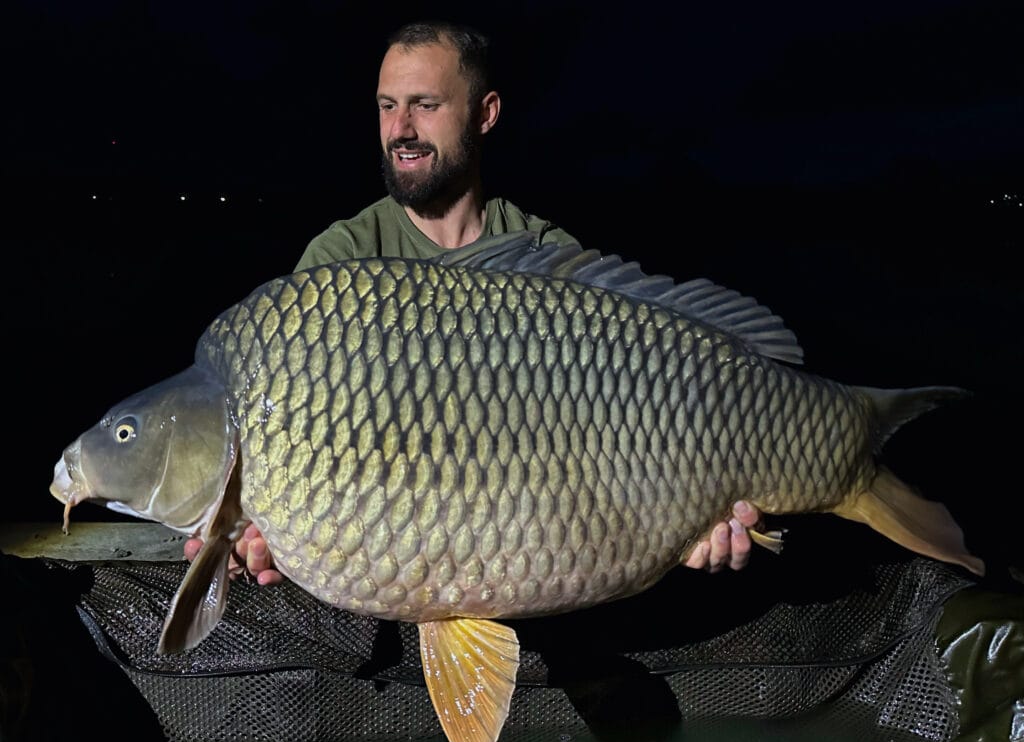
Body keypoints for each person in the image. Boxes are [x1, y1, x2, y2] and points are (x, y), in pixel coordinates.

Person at [186, 20, 762, 584]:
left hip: (539, 557)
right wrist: (259, 530)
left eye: (425, 105)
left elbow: (617, 439)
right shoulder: (341, 262)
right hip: (399, 569)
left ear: (485, 114)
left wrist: (684, 518)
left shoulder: (547, 259)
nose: (400, 129)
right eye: (387, 106)